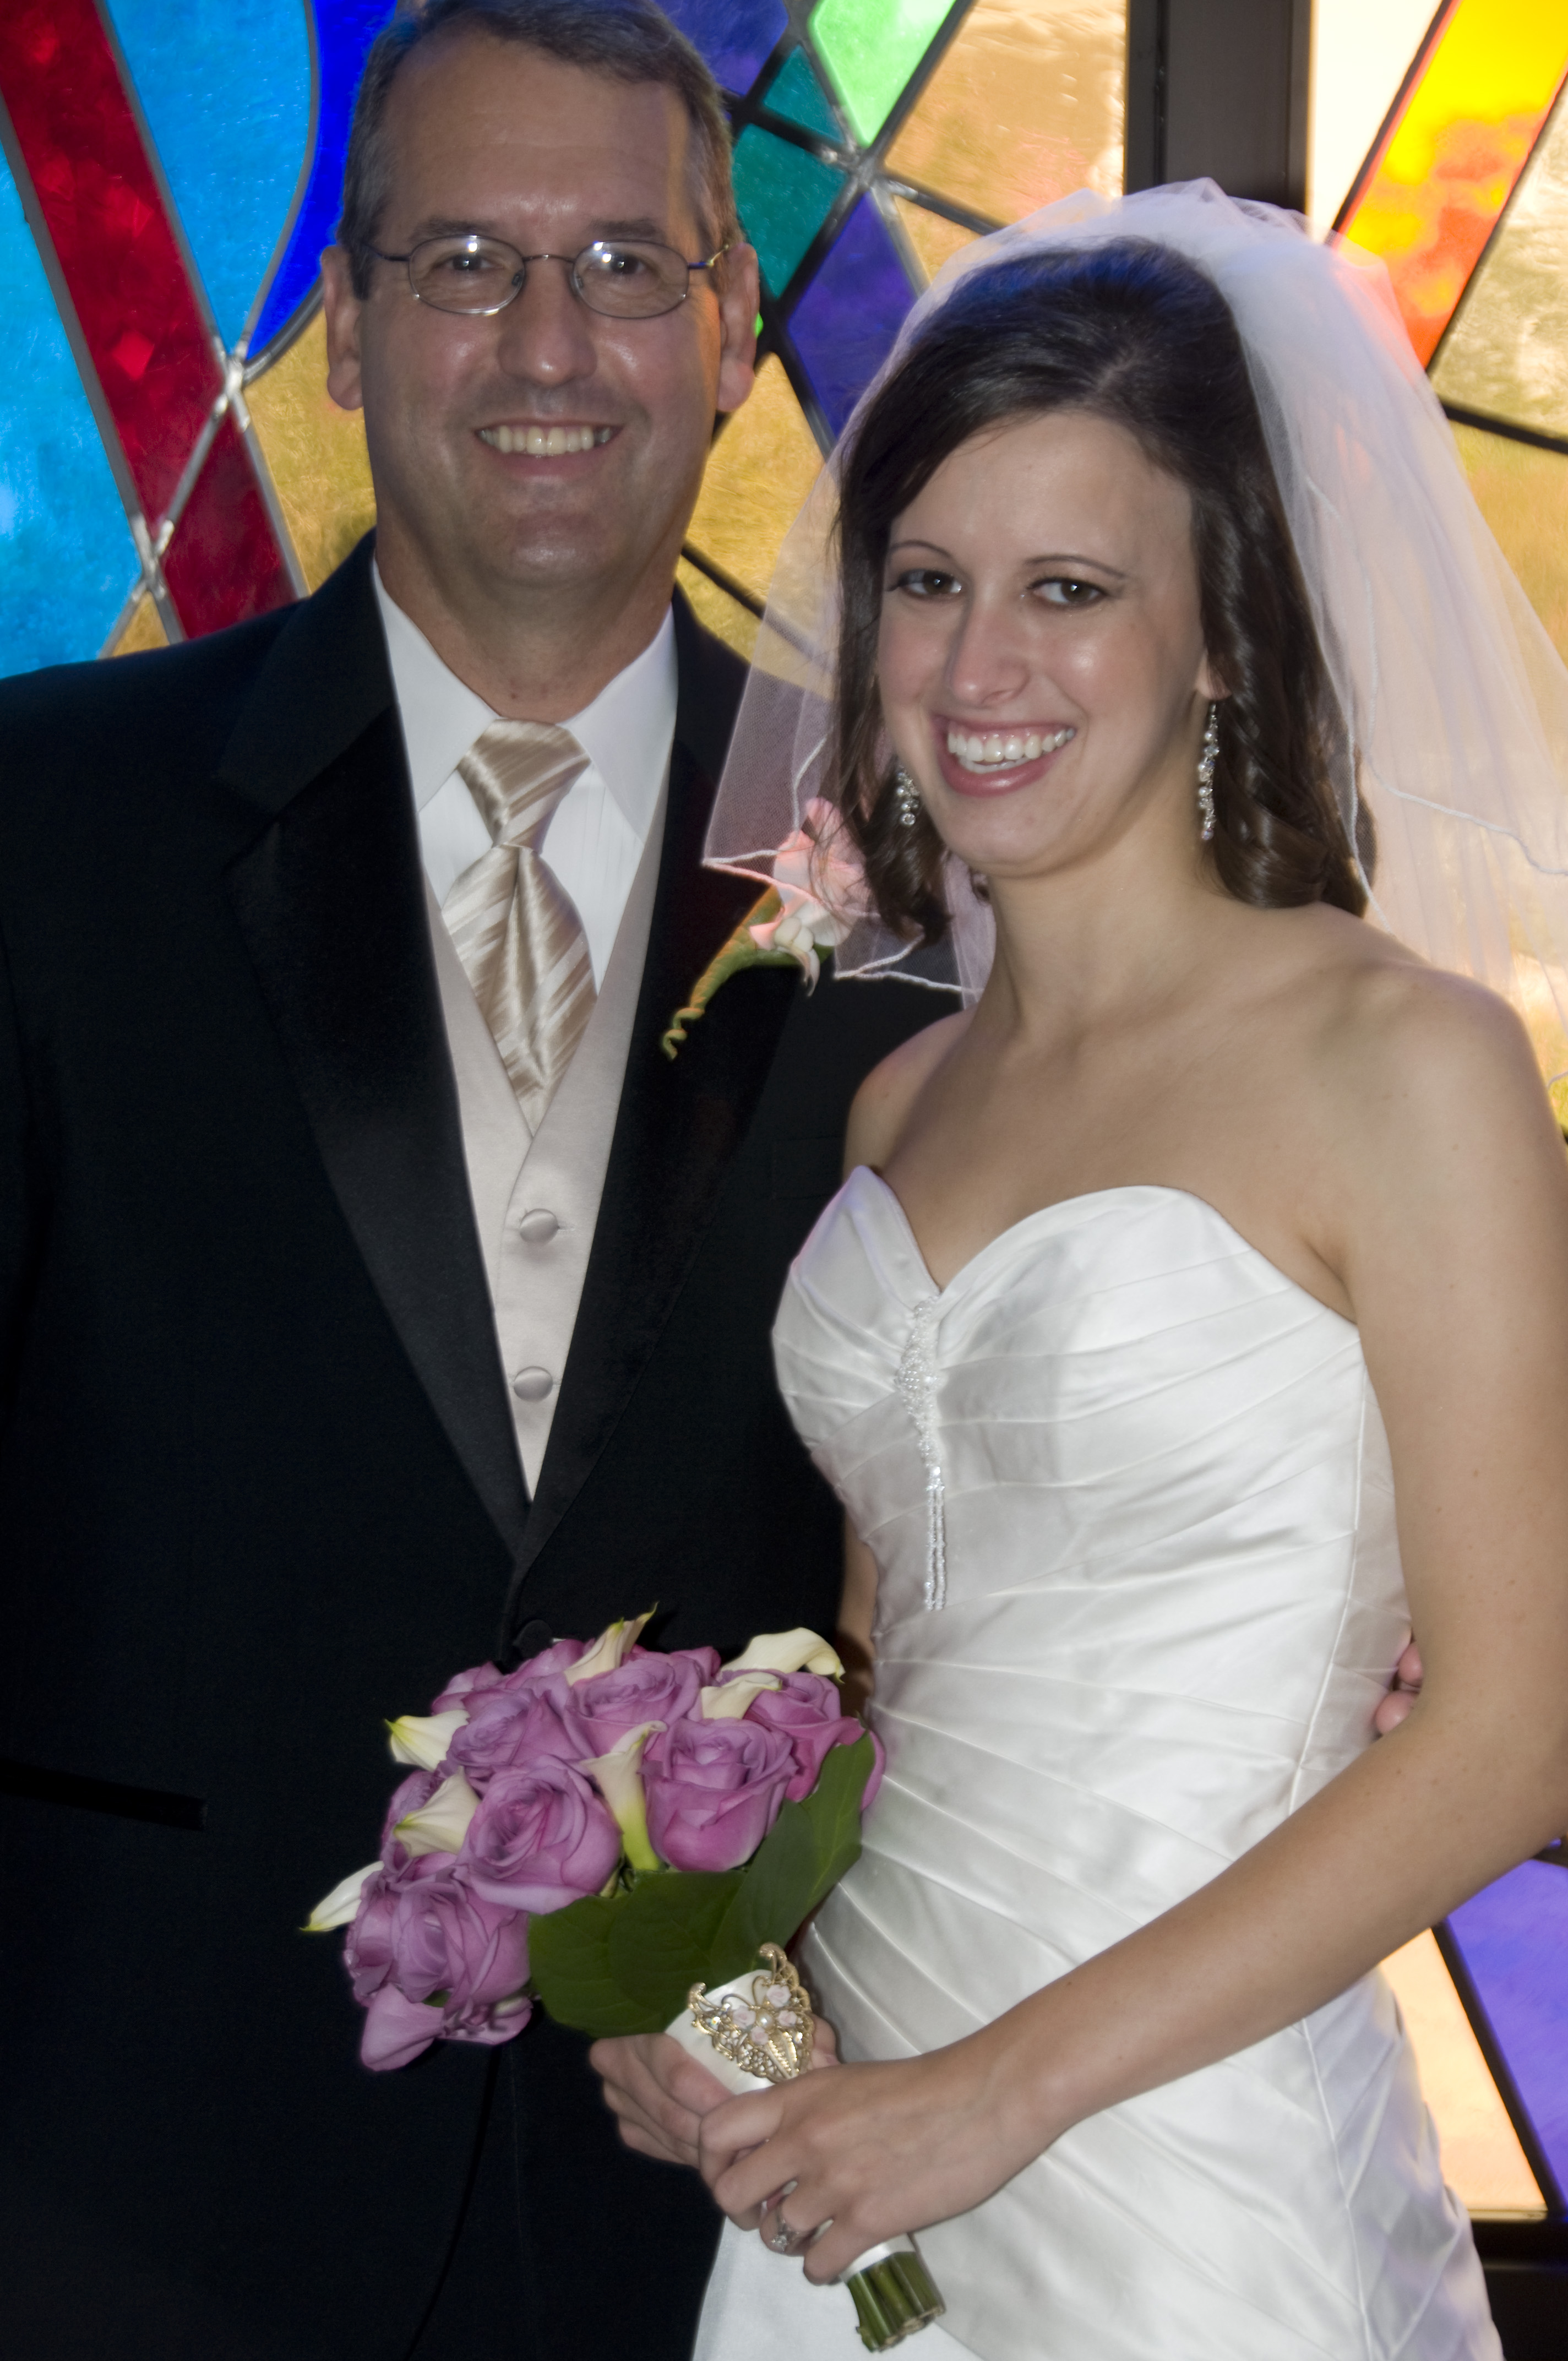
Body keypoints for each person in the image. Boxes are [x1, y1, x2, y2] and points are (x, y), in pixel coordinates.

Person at [0, 5, 951, 2356]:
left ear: (731, 329)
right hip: (114, 2161)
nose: (549, 344)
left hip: (707, 2197)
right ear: (343, 329)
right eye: (462, 264)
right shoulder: (42, 824)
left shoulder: (932, 896)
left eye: (624, 264)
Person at [591, 188, 1568, 2359]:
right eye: (930, 581)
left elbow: (1519, 1731)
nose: (976, 672)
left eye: (1071, 590)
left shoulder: (1402, 1062)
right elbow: (878, 1677)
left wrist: (991, 2098)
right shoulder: (897, 1103)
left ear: (1221, 634)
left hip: (1181, 2154)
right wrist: (720, 1982)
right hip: (855, 2140)